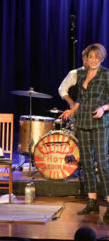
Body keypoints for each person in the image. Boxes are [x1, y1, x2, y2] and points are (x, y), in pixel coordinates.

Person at [59, 43, 109, 220]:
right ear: (86, 58)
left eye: (97, 57)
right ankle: (92, 202)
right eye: (90, 57)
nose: (93, 60)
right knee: (87, 163)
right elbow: (81, 99)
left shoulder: (106, 75)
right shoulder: (81, 74)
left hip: (100, 123)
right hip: (83, 122)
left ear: (101, 59)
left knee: (102, 164)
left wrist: (104, 108)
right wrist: (72, 109)